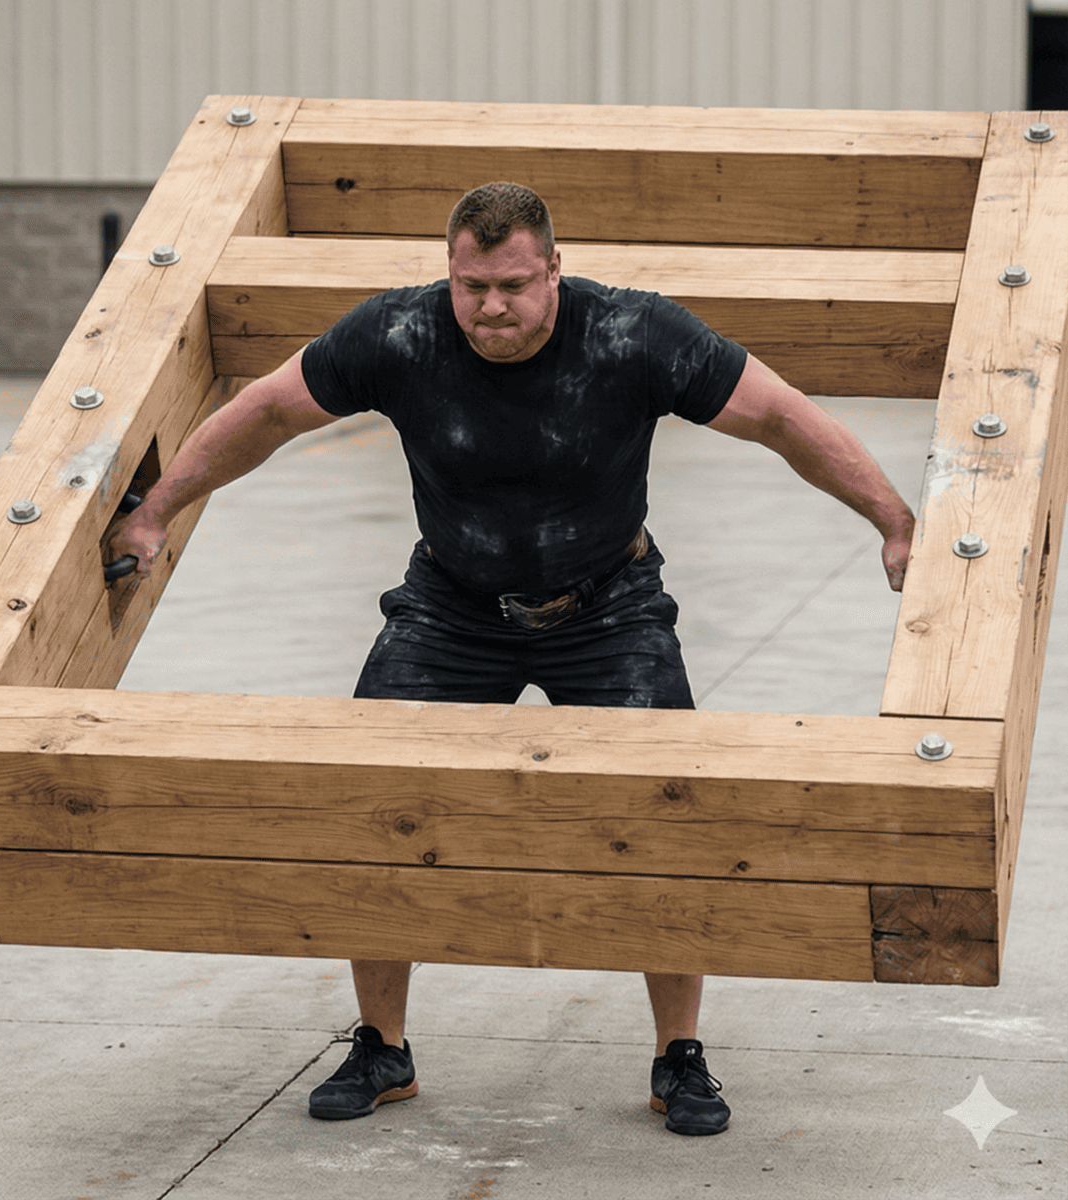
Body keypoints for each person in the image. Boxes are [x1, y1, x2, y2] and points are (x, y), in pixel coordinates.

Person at [107, 181, 914, 1138]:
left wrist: (894, 521)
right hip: (451, 604)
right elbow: (271, 410)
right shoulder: (397, 334)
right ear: (448, 272)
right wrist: (156, 511)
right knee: (374, 801)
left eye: (513, 285)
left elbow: (779, 415)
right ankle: (382, 1047)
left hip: (609, 604)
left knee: (665, 813)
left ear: (553, 272)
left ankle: (678, 1056)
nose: (490, 306)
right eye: (471, 285)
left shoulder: (632, 335)